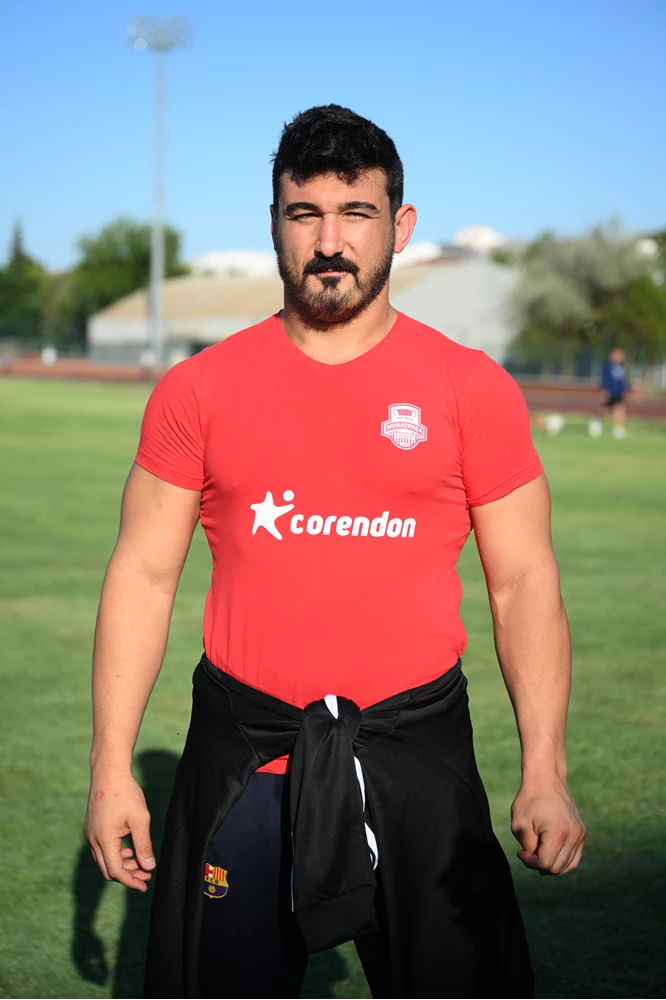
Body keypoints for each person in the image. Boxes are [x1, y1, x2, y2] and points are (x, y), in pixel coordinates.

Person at [85, 104, 585, 1000]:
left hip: (416, 756)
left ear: (401, 225)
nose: (328, 241)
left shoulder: (470, 388)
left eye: (355, 213)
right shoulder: (199, 389)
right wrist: (110, 767)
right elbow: (144, 575)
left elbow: (522, 583)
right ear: (274, 223)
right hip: (247, 761)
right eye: (304, 213)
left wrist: (544, 769)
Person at [588, 346, 630, 438]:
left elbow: (623, 380)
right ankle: (596, 420)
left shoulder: (621, 367)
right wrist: (604, 390)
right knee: (606, 410)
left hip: (619, 392)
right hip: (610, 391)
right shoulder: (607, 366)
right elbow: (604, 379)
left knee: (620, 408)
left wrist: (625, 389)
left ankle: (618, 428)